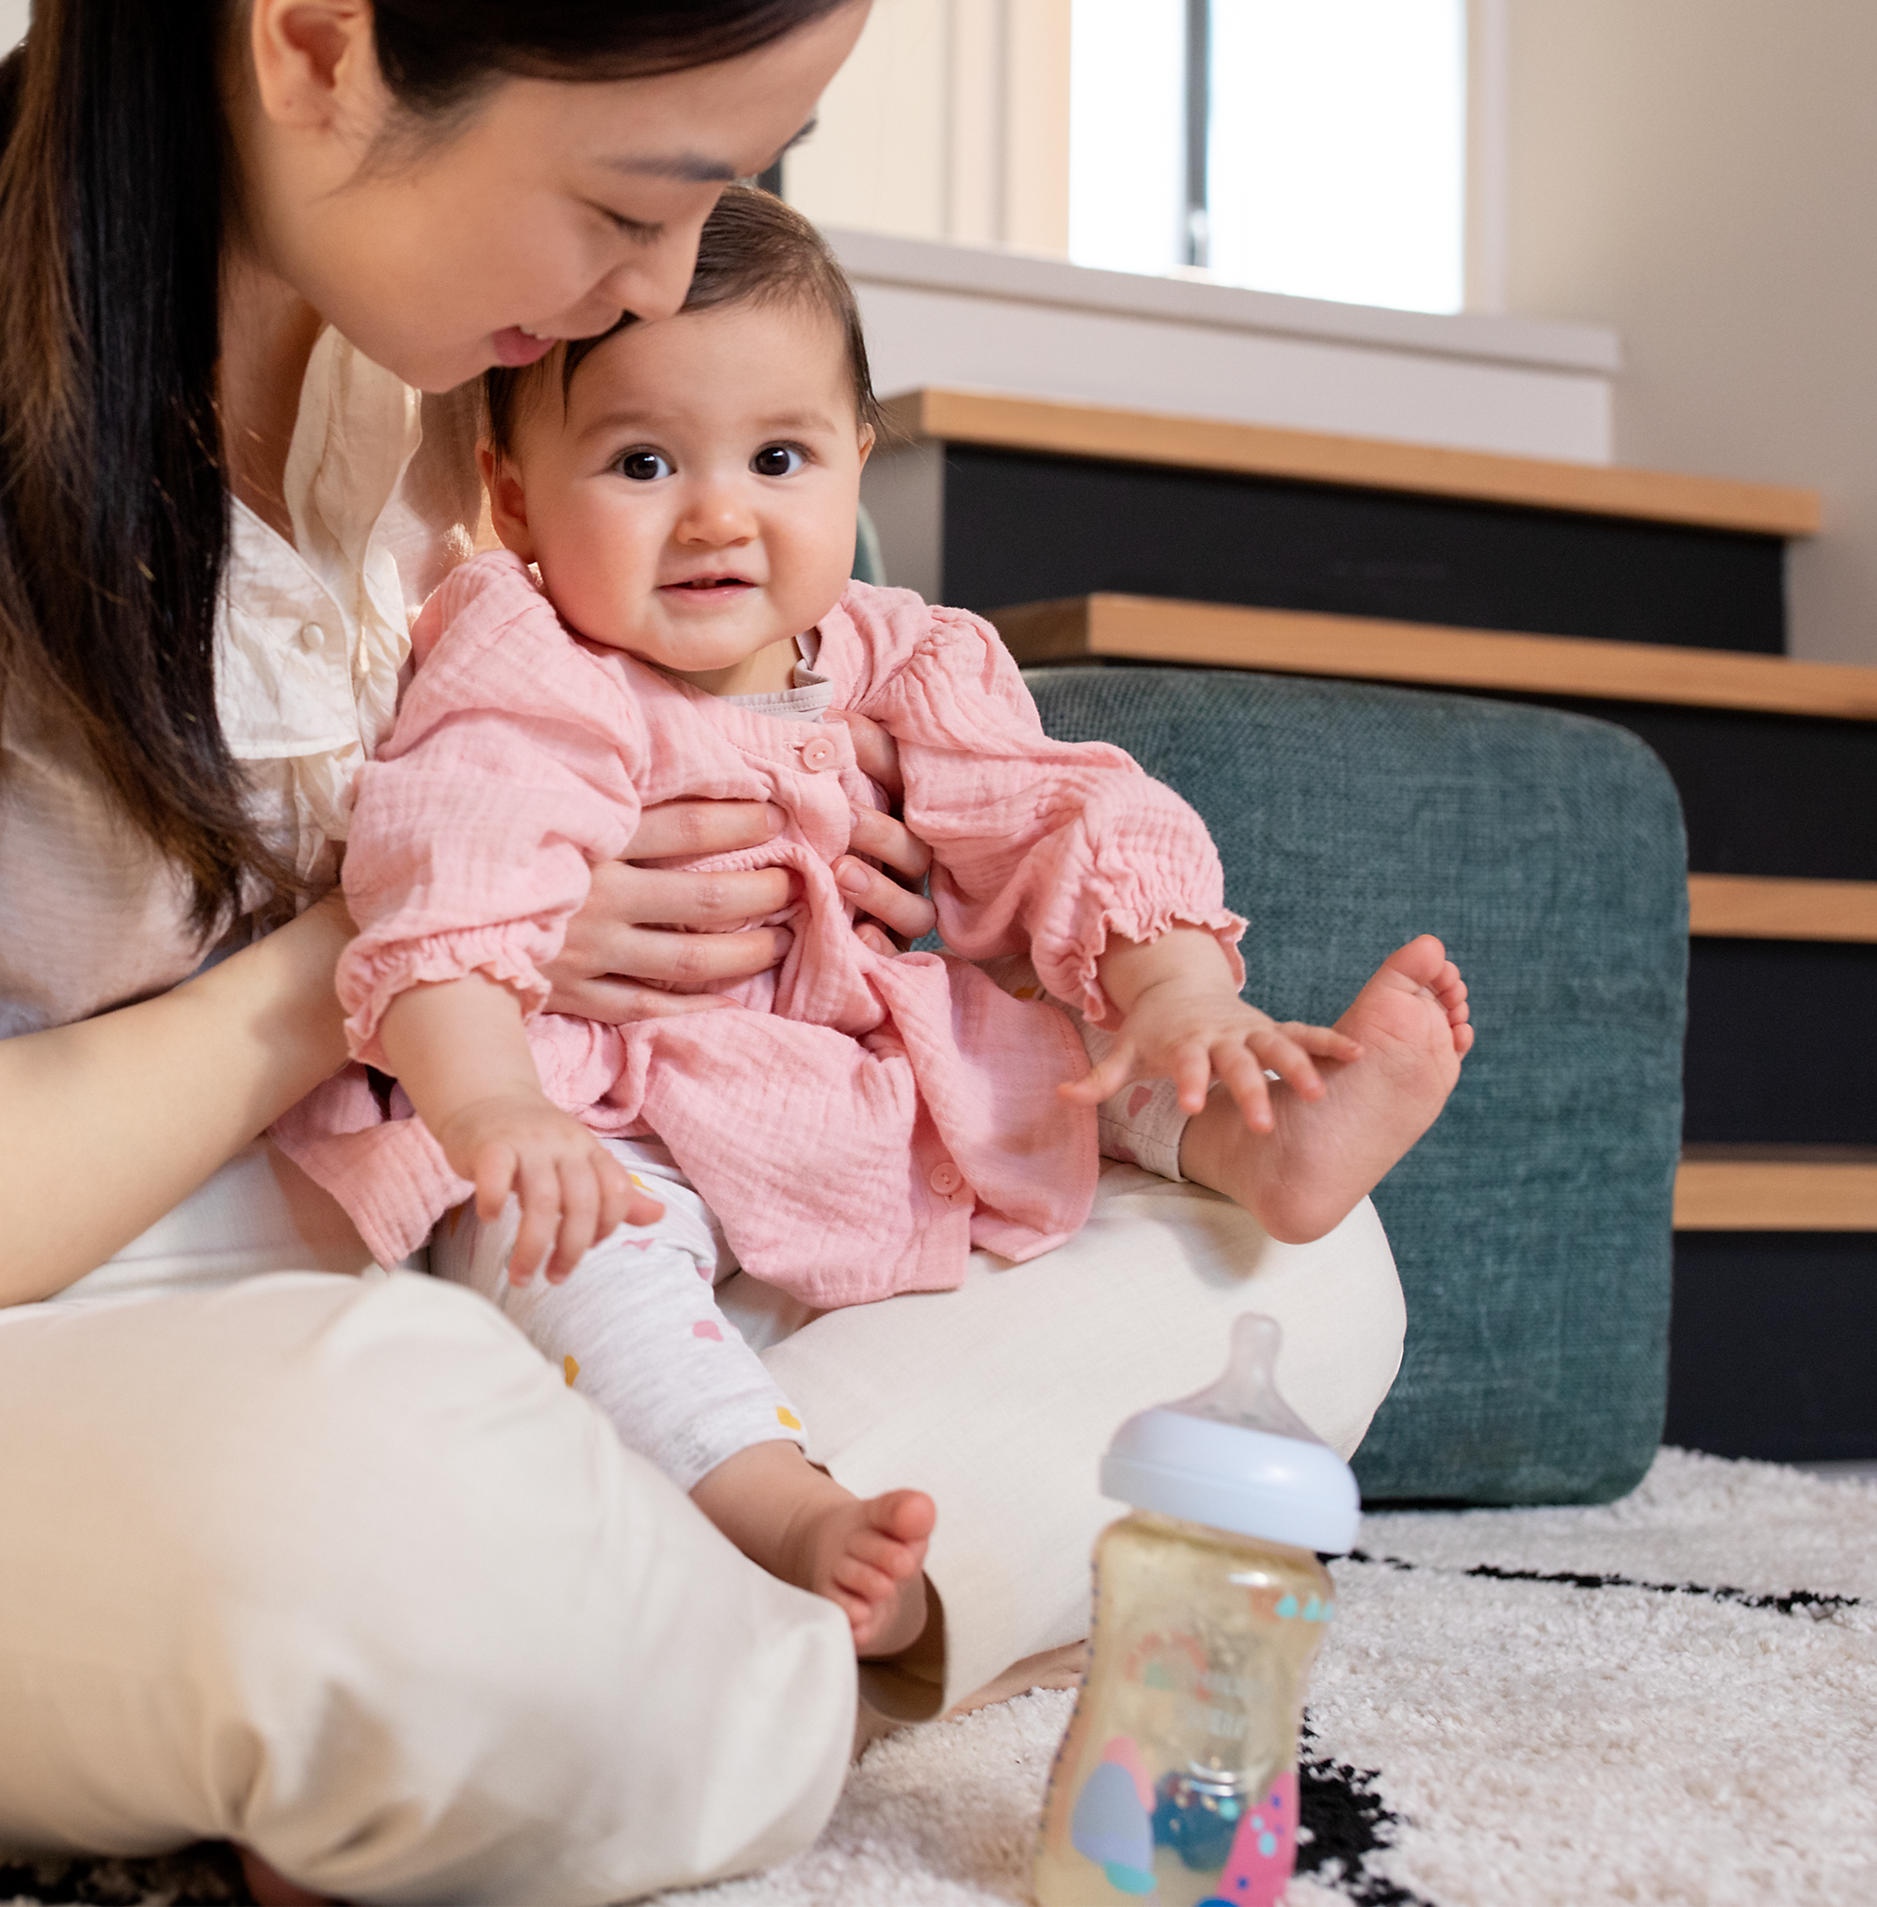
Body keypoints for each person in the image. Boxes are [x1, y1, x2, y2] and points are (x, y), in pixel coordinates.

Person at [0, 0, 1418, 1899]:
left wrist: (959, 964)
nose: (655, 301)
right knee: (385, 1502)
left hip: (527, 1264)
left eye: (734, 196)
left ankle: (669, 1641)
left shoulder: (459, 372)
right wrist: (402, 946)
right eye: (632, 201)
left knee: (1282, 1277)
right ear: (319, 46)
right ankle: (749, 1655)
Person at [287, 187, 1473, 1662]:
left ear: (859, 462)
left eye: (778, 457)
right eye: (644, 461)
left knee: (1069, 1043)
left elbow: (1063, 813)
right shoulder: (532, 661)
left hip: (872, 1081)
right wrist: (492, 1106)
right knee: (559, 1252)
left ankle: (1247, 1133)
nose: (719, 512)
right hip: (624, 1107)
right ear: (516, 496)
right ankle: (774, 1498)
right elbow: (448, 895)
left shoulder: (902, 658)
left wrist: (1173, 986)